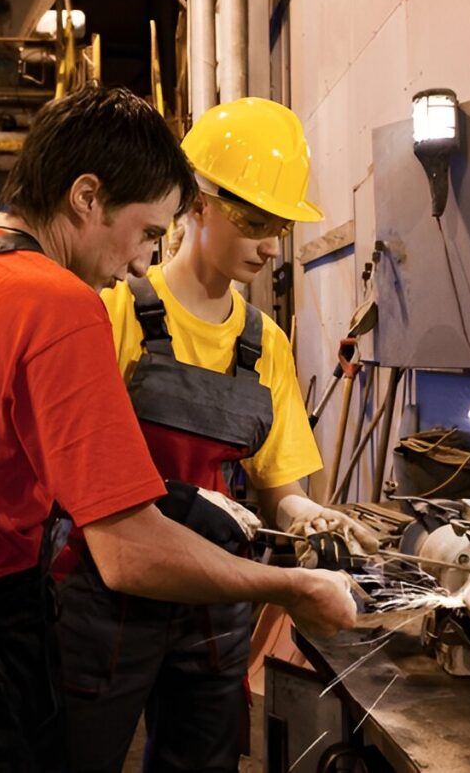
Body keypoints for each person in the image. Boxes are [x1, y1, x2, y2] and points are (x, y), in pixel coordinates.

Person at [0, 87, 356, 773]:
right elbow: (130, 552)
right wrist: (287, 588)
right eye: (149, 232)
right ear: (87, 196)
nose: (140, 261)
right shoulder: (62, 305)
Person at [58, 97, 379, 773]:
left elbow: (276, 482)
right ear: (196, 205)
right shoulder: (114, 311)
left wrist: (307, 510)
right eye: (256, 220)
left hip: (217, 603)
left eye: (281, 228)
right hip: (110, 597)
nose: (269, 245)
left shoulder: (266, 342)